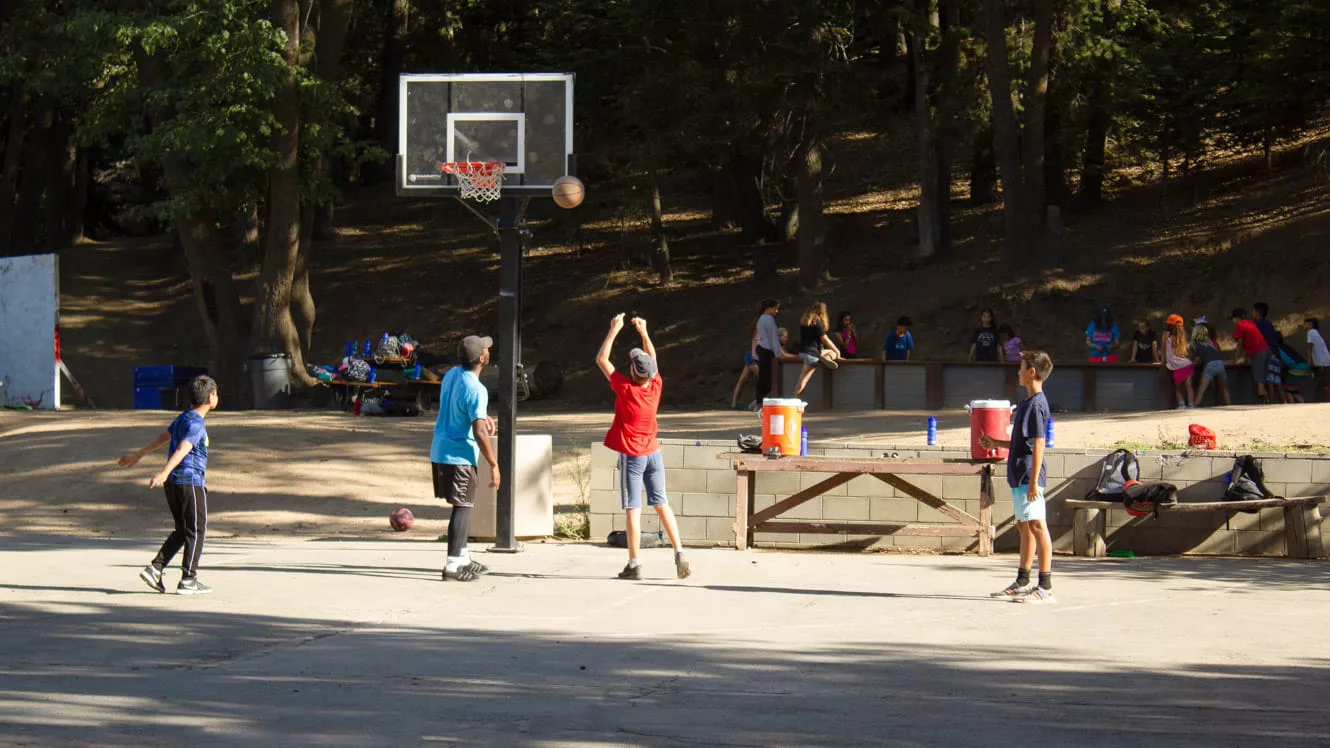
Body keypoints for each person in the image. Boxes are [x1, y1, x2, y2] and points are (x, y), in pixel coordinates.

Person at [596, 313, 690, 581]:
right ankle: (680, 551)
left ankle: (634, 563)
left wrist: (614, 329)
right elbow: (653, 357)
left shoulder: (626, 388)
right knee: (662, 504)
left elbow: (602, 359)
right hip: (654, 453)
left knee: (633, 509)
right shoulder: (655, 385)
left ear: (634, 372)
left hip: (633, 455)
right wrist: (644, 331)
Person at [117, 375, 220, 595]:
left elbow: (163, 437)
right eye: (216, 393)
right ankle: (188, 579)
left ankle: (156, 568)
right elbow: (183, 448)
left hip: (174, 483)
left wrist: (138, 455)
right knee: (197, 530)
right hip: (189, 481)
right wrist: (164, 472)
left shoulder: (184, 418)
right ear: (211, 397)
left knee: (183, 530)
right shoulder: (196, 423)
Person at [982, 351, 1055, 604]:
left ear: (1032, 372)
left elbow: (1039, 444)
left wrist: (1034, 481)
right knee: (1024, 526)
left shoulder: (1037, 405)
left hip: (1028, 475)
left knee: (1037, 525)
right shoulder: (1026, 403)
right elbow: (1018, 441)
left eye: (1021, 367)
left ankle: (1045, 586)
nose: (1018, 371)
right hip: (1018, 473)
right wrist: (994, 441)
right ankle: (1022, 581)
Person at [432, 335, 500, 582]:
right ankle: (452, 566)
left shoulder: (451, 374)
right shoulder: (477, 389)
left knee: (464, 504)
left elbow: (460, 406)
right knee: (462, 507)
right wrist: (494, 464)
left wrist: (481, 415)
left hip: (440, 448)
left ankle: (463, 558)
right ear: (482, 358)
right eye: (486, 349)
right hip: (457, 454)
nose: (488, 351)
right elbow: (479, 431)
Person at [793, 301, 841, 398]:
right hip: (812, 354)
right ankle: (795, 401)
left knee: (830, 353)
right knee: (803, 380)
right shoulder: (816, 321)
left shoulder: (805, 321)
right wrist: (837, 351)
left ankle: (825, 356)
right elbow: (825, 339)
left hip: (803, 352)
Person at [1231, 307, 1272, 403]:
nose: (1232, 321)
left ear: (1237, 318)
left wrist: (1235, 359)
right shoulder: (1250, 324)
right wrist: (1245, 359)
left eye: (1233, 319)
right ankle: (1266, 396)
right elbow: (1247, 344)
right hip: (1266, 350)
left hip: (1258, 352)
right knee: (1264, 375)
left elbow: (1240, 344)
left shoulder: (1240, 325)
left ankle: (1262, 397)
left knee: (1259, 376)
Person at [1190, 324, 1230, 406]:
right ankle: (1229, 405)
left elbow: (1197, 360)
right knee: (1224, 389)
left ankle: (1194, 406)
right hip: (1220, 363)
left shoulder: (1195, 344)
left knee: (1201, 389)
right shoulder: (1209, 342)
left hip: (1210, 365)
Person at [1162, 314, 1195, 409]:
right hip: (1187, 364)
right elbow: (1185, 352)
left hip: (1176, 365)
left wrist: (1161, 362)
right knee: (1189, 387)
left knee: (1178, 388)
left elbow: (1163, 349)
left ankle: (1181, 404)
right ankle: (1191, 405)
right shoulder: (1182, 336)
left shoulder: (1166, 335)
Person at [754, 298, 781, 411]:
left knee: (763, 375)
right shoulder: (769, 319)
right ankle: (761, 399)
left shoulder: (760, 319)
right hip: (767, 349)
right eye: (776, 308)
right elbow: (774, 338)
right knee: (767, 376)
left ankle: (760, 398)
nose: (777, 311)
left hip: (762, 348)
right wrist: (778, 353)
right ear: (769, 308)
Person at [729, 317, 761, 409]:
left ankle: (734, 404)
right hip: (753, 357)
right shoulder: (760, 334)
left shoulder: (756, 332)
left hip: (750, 355)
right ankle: (759, 403)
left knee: (742, 381)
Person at [1305, 318, 1330, 393]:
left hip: (1321, 362)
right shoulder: (1315, 332)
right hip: (1325, 361)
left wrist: (1309, 361)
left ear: (1310, 324)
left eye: (1305, 324)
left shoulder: (1311, 332)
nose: (1304, 326)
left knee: (1321, 382)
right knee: (1324, 382)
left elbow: (1309, 347)